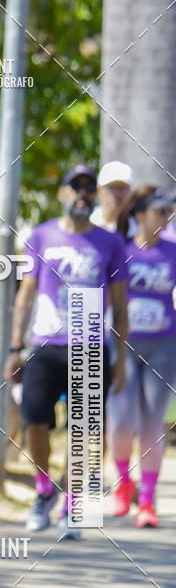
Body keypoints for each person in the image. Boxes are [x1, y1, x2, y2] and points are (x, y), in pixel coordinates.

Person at [3, 165, 128, 539]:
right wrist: (14, 347)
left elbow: (120, 306)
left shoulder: (110, 243)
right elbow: (25, 295)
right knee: (33, 421)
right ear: (63, 193)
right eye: (77, 187)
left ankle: (74, 502)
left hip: (91, 346)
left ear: (96, 197)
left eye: (90, 189)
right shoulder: (41, 236)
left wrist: (120, 357)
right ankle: (44, 489)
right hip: (46, 345)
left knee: (85, 431)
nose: (83, 194)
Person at [107, 186, 176, 527]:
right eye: (161, 211)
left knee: (152, 423)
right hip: (123, 344)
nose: (167, 217)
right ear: (140, 216)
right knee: (120, 422)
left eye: (169, 211)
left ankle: (147, 502)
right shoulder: (121, 250)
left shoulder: (173, 252)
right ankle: (123, 483)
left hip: (164, 345)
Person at [91, 161, 136, 236]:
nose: (117, 194)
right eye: (111, 188)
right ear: (99, 190)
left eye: (122, 188)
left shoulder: (139, 231)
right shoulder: (86, 224)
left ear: (131, 192)